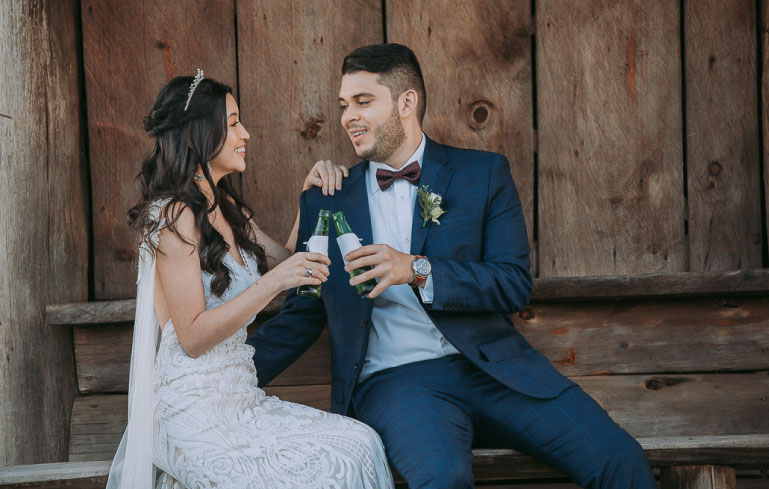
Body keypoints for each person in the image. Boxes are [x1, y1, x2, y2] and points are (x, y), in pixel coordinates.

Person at [247, 44, 658, 488]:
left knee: (620, 459)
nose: (348, 116)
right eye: (344, 105)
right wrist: (222, 380)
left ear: (407, 103)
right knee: (443, 479)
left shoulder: (482, 174)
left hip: (497, 371)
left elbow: (513, 284)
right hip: (399, 385)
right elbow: (303, 316)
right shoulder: (328, 199)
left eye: (363, 102)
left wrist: (417, 269)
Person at [106, 70, 394, 489]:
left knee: (359, 442)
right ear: (199, 135)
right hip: (194, 413)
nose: (247, 133)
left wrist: (308, 196)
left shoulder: (226, 208)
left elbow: (291, 259)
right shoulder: (171, 216)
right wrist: (274, 283)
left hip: (241, 401)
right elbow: (191, 336)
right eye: (234, 122)